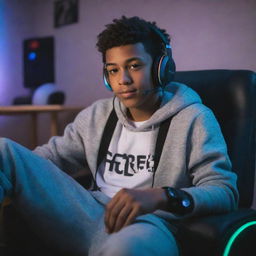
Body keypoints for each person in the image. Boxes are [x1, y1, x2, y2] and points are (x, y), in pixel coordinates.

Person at [0, 16, 238, 255]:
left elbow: (224, 191)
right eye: (113, 70)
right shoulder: (96, 115)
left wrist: (162, 196)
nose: (123, 80)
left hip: (147, 224)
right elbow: (45, 161)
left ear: (161, 68)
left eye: (134, 66)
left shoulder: (194, 118)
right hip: (86, 212)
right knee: (5, 151)